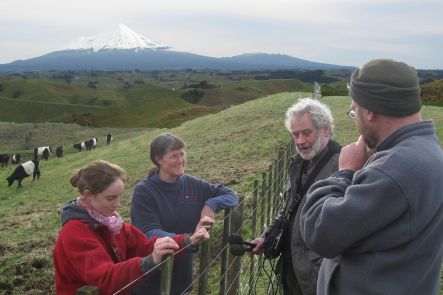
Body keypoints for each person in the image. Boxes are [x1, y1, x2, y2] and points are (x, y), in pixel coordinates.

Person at [300, 59, 443, 295]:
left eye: (354, 109)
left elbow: (318, 231)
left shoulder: (395, 168)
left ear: (370, 111)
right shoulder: (428, 152)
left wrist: (344, 172)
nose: (354, 116)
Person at [53, 160, 211, 295]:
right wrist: (149, 262)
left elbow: (146, 245)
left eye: (119, 196)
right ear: (88, 195)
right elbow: (104, 277)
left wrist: (187, 240)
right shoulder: (75, 233)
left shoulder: (112, 223)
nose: (118, 204)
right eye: (111, 198)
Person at [251, 98, 341, 295]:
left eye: (306, 133)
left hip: (317, 276)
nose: (300, 141)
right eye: (295, 134)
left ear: (325, 130)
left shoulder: (342, 168)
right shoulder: (297, 163)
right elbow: (289, 210)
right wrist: (267, 237)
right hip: (291, 269)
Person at [131, 133, 239, 295]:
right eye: (174, 156)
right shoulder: (144, 192)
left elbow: (231, 195)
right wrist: (188, 240)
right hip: (153, 274)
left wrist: (211, 204)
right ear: (158, 159)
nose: (181, 160)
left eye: (182, 154)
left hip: (182, 274)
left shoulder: (192, 184)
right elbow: (148, 231)